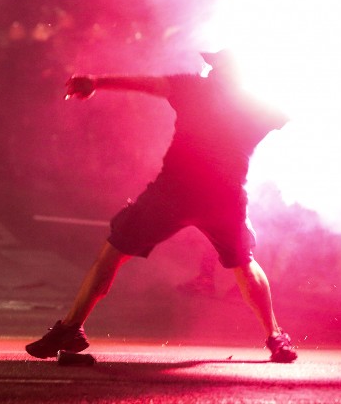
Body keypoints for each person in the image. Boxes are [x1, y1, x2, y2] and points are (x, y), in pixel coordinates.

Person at [25, 49, 298, 363]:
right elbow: (289, 112)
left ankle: (71, 328)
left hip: (174, 193)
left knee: (113, 253)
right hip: (222, 198)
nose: (208, 71)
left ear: (219, 69)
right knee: (244, 263)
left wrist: (97, 81)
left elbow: (146, 84)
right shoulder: (255, 106)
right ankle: (276, 338)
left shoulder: (194, 88)